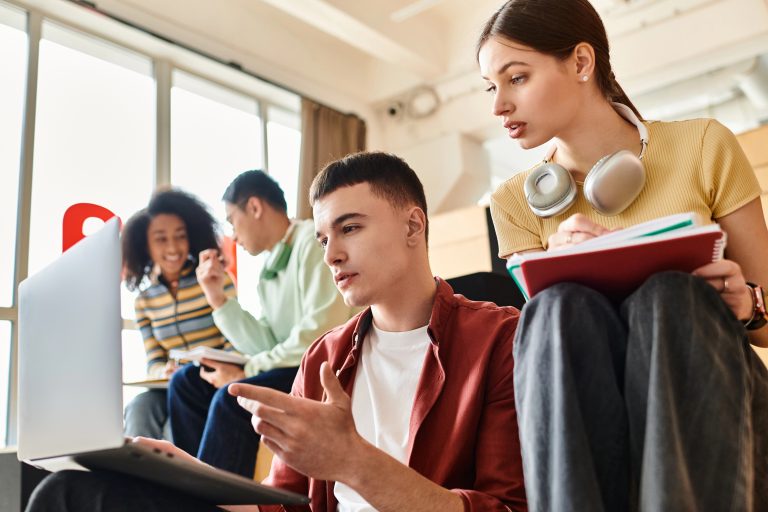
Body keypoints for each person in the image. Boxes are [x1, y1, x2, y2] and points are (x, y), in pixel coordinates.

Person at [26, 151, 528, 512]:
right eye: (324, 237)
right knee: (68, 492)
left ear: (413, 227)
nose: (331, 254)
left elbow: (503, 508)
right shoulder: (325, 356)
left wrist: (354, 464)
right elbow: (281, 502)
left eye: (350, 228)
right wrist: (187, 472)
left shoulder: (499, 339)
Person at [477, 1, 768, 510]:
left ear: (582, 63)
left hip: (712, 413)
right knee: (556, 307)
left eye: (516, 78)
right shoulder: (513, 203)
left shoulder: (704, 145)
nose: (498, 105)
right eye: (490, 87)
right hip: (594, 428)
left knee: (671, 296)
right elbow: (556, 359)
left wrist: (748, 304)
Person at [167, 170, 353, 478]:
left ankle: (215, 504)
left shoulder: (312, 242)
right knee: (186, 382)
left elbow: (318, 337)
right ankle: (190, 488)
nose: (233, 235)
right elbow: (265, 343)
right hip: (290, 365)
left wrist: (247, 371)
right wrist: (218, 299)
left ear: (254, 207)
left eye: (231, 220)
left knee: (233, 399)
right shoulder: (269, 268)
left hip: (319, 367)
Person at [122, 189, 237, 440]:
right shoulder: (144, 302)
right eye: (161, 239)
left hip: (209, 384)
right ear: (146, 246)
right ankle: (135, 479)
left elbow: (235, 342)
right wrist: (162, 372)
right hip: (167, 388)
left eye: (180, 237)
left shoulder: (214, 280)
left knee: (172, 429)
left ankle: (172, 478)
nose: (173, 247)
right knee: (138, 409)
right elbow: (154, 361)